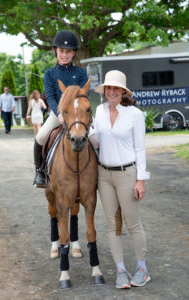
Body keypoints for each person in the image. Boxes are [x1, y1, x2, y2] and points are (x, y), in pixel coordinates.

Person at [90, 70, 151, 289]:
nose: (112, 91)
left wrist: (140, 180)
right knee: (112, 225)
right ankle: (121, 271)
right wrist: (84, 128)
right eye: (109, 88)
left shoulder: (134, 114)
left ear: (123, 91)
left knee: (133, 223)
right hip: (104, 175)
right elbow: (97, 141)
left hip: (127, 174)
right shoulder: (99, 110)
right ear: (104, 90)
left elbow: (140, 148)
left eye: (116, 88)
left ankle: (142, 269)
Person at [33, 30, 88, 258]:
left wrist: (75, 116)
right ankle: (40, 172)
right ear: (56, 51)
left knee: (93, 138)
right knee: (39, 137)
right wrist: (59, 114)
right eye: (61, 51)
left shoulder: (80, 73)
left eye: (68, 51)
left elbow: (84, 97)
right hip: (59, 115)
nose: (64, 54)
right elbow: (51, 96)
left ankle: (98, 170)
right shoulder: (49, 72)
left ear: (73, 52)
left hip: (77, 116)